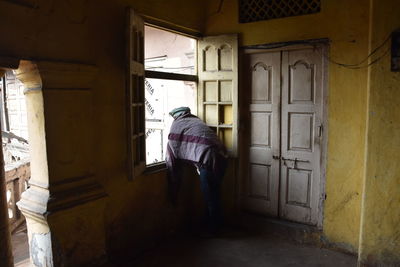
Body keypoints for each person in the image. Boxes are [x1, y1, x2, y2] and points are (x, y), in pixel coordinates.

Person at [166, 107, 228, 234]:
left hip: (207, 160)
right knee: (214, 195)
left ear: (175, 116)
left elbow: (171, 159)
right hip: (222, 157)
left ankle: (214, 230)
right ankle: (212, 224)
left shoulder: (176, 126)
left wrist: (174, 187)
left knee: (210, 197)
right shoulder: (196, 121)